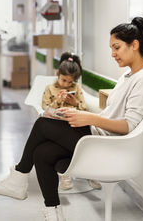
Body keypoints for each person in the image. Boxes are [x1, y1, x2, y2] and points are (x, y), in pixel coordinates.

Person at [0, 16, 143, 221]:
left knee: (43, 123)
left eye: (116, 47)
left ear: (135, 45)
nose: (112, 54)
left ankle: (18, 178)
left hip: (107, 146)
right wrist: (76, 108)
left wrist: (89, 118)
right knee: (42, 153)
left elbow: (128, 126)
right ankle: (54, 214)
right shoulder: (128, 75)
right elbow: (112, 112)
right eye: (111, 48)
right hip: (98, 138)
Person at [41, 52, 100, 191]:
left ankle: (90, 172)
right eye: (63, 80)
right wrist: (58, 101)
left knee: (86, 142)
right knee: (63, 143)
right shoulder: (50, 89)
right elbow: (45, 108)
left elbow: (84, 108)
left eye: (70, 81)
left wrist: (75, 102)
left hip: (74, 123)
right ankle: (65, 173)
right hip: (57, 123)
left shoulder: (76, 88)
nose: (67, 85)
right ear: (57, 74)